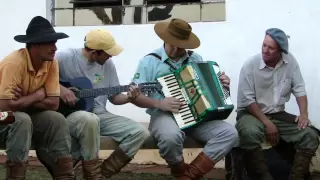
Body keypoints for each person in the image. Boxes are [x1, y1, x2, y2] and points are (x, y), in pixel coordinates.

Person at [130, 18, 238, 179]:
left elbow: (208, 92)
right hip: (165, 116)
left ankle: (189, 175)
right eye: (172, 43)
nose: (175, 49)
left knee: (229, 133)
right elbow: (135, 97)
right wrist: (159, 103)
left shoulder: (195, 58)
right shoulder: (149, 62)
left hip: (197, 117)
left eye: (180, 45)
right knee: (170, 137)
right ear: (164, 39)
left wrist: (223, 87)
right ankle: (178, 168)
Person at [54, 29, 149, 179]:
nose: (110, 56)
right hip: (70, 113)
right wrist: (61, 89)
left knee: (140, 132)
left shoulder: (108, 64)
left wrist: (130, 97)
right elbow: (42, 77)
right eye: (107, 53)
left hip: (99, 113)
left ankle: (101, 174)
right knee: (90, 120)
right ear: (94, 52)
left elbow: (115, 97)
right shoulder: (64, 57)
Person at [236, 28, 319, 180]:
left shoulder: (290, 61)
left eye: (271, 48)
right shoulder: (250, 65)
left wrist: (304, 115)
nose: (265, 51)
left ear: (281, 51)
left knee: (310, 134)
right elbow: (248, 100)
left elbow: (299, 89)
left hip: (278, 114)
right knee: (250, 133)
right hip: (250, 113)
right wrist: (267, 123)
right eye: (264, 45)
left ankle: (297, 177)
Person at [0, 16, 75, 179]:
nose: (55, 48)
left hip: (20, 112)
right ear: (35, 44)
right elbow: (5, 107)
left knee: (56, 119)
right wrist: (38, 94)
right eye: (50, 43)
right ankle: (15, 177)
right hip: (2, 116)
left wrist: (24, 100)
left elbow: (54, 103)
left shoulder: (51, 63)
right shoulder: (13, 63)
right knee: (21, 119)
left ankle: (65, 175)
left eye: (55, 42)